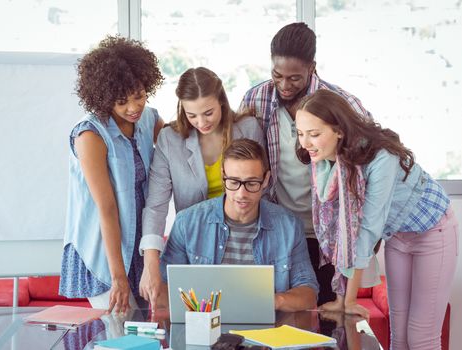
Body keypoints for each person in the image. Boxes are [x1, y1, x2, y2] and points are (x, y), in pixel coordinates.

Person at [295, 89, 458, 349]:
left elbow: (367, 230)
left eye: (314, 134)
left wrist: (349, 301)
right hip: (398, 236)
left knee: (420, 338)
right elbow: (342, 234)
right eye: (300, 133)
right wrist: (340, 299)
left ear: (339, 131)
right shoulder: (329, 162)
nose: (305, 143)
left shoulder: (381, 157)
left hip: (432, 231)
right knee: (398, 336)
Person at [240, 22, 372, 305]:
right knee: (277, 313)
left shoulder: (341, 103)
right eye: (277, 75)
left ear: (312, 67)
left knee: (324, 316)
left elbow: (370, 161)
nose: (285, 86)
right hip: (280, 227)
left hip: (326, 232)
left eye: (295, 78)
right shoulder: (256, 98)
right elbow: (244, 155)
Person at [139, 67, 264, 309]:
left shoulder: (248, 128)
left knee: (245, 314)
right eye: (192, 115)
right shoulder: (169, 139)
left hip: (244, 241)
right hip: (195, 244)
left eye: (208, 113)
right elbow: (155, 206)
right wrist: (150, 265)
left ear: (222, 102)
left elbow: (263, 188)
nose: (201, 122)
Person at [58, 35, 165, 314]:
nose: (134, 108)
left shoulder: (149, 118)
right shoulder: (90, 135)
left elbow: (179, 145)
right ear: (104, 98)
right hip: (105, 252)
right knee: (120, 335)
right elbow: (106, 208)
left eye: (139, 96)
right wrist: (118, 278)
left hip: (140, 244)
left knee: (147, 336)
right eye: (121, 101)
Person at [158, 139, 318, 312]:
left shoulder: (288, 226)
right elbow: (164, 286)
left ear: (265, 180)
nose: (241, 194)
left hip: (268, 333)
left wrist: (274, 301)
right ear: (223, 176)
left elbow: (308, 292)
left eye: (251, 183)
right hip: (204, 328)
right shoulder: (187, 223)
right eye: (234, 182)